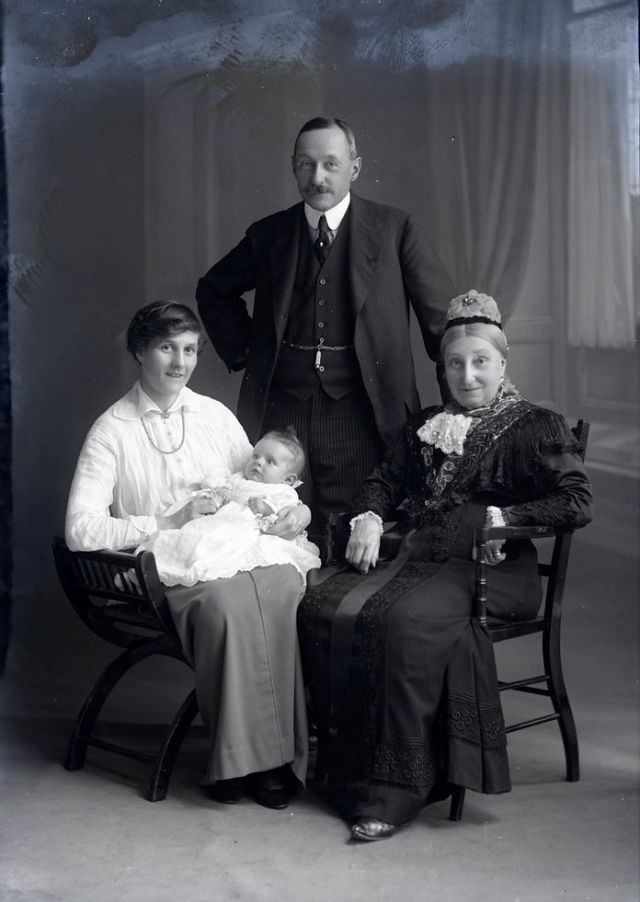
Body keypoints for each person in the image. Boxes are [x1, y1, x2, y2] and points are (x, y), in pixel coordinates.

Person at [297, 290, 593, 841]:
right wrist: (367, 515)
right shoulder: (425, 425)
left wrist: (506, 516)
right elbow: (383, 482)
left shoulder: (538, 426)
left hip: (493, 568)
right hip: (420, 556)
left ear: (503, 364)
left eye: (481, 361)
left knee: (402, 622)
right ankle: (339, 772)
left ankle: (397, 787)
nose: (468, 375)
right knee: (321, 603)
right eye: (454, 363)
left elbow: (576, 501)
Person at [65, 301, 312, 810]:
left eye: (190, 350)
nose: (179, 362)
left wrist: (299, 516)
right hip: (166, 568)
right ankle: (261, 762)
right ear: (139, 351)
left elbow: (263, 482)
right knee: (228, 604)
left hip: (236, 548)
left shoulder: (213, 416)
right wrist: (166, 522)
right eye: (166, 348)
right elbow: (80, 529)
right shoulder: (111, 431)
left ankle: (261, 758)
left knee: (280, 587)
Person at [196, 116, 455, 555]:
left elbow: (442, 326)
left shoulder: (394, 230)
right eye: (306, 164)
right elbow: (213, 290)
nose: (318, 177)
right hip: (282, 413)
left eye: (331, 164)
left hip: (362, 413)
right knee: (273, 529)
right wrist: (248, 353)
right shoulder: (269, 234)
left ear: (354, 167)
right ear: (293, 167)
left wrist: (460, 410)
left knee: (348, 531)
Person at [136, 428, 321, 587]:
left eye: (270, 461)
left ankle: (190, 571)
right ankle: (156, 569)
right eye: (256, 456)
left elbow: (283, 513)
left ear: (288, 479)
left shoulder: (282, 491)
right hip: (222, 520)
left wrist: (266, 508)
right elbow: (218, 486)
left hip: (248, 528)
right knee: (193, 538)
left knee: (217, 548)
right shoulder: (238, 478)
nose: (258, 462)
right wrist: (221, 492)